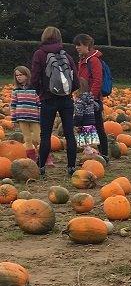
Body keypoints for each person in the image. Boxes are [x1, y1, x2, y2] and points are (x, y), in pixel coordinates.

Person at [30, 26, 79, 178]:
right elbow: (76, 81)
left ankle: (41, 167)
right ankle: (71, 167)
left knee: (46, 135)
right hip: (66, 100)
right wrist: (68, 92)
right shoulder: (67, 56)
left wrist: (41, 92)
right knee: (70, 134)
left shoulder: (39, 54)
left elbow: (34, 79)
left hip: (48, 99)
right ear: (59, 38)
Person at [74, 34, 109, 162]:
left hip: (92, 99)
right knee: (86, 127)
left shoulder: (93, 60)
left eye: (79, 45)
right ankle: (89, 153)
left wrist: (91, 98)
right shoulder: (83, 59)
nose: (77, 47)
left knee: (98, 126)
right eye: (76, 45)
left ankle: (104, 154)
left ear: (87, 45)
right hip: (83, 97)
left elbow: (97, 80)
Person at [10, 66, 42, 163]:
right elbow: (13, 105)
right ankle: (32, 159)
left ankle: (45, 156)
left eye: (21, 75)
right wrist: (14, 119)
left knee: (38, 138)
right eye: (17, 75)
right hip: (21, 118)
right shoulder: (16, 90)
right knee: (27, 139)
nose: (18, 77)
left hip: (34, 118)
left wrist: (41, 115)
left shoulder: (34, 89)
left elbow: (39, 103)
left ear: (27, 75)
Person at [73, 78, 100, 152]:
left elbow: (79, 115)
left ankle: (91, 155)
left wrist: (76, 124)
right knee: (89, 144)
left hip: (83, 125)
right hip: (91, 124)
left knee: (85, 145)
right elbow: (97, 107)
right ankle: (92, 155)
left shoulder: (79, 100)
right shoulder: (90, 97)